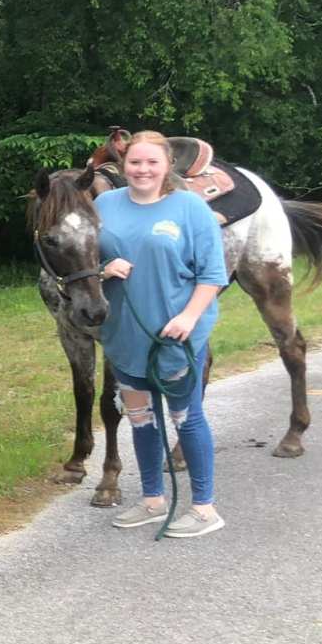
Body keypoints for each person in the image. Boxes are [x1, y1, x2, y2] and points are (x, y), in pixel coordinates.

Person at [99, 130, 228, 537]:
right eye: (135, 162)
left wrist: (190, 317)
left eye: (152, 162)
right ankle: (153, 499)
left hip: (175, 334)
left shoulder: (189, 208)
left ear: (167, 166)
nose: (143, 169)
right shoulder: (104, 205)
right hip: (123, 332)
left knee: (185, 418)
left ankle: (205, 508)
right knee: (139, 418)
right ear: (124, 165)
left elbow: (212, 274)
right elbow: (83, 260)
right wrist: (104, 270)